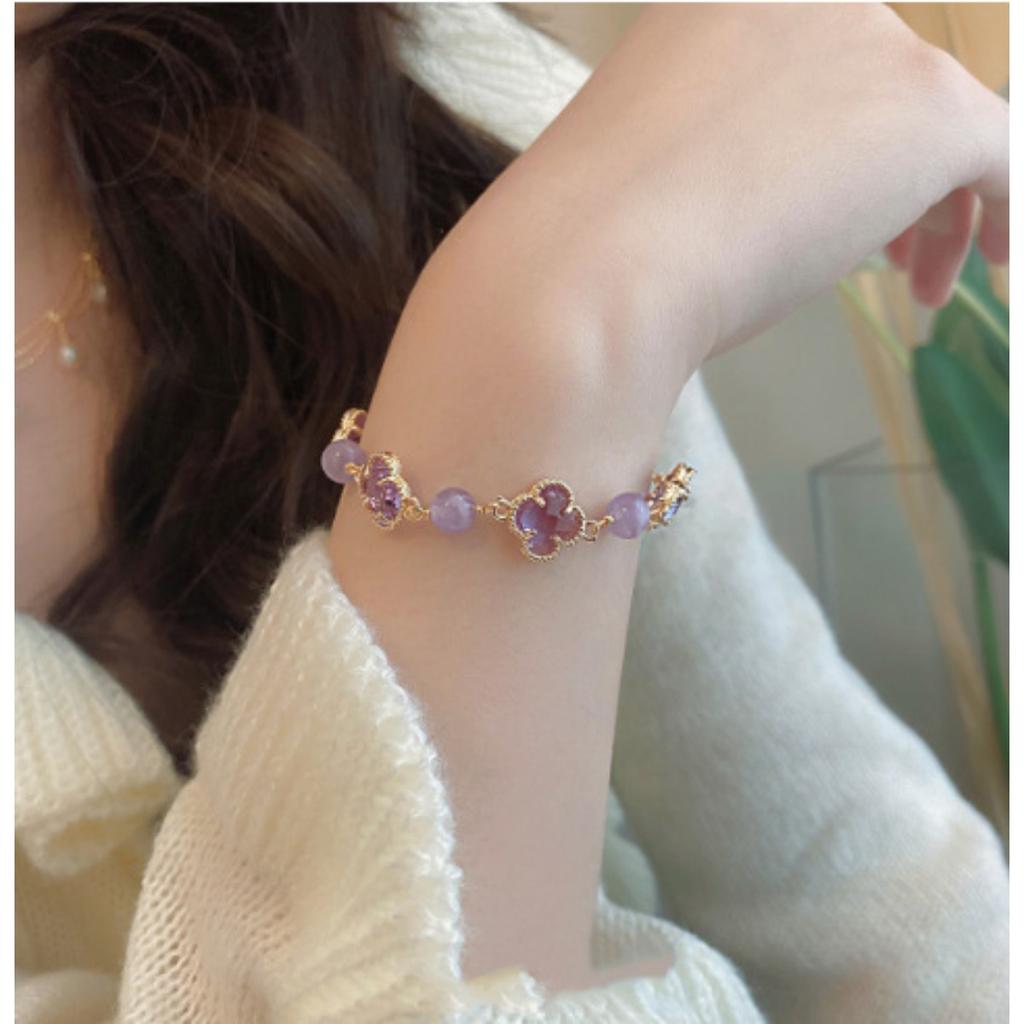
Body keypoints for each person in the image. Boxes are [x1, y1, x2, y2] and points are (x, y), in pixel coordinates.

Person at [15, 3, 1009, 1021]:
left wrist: (567, 299)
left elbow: (858, 885)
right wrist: (539, 344)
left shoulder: (417, 90)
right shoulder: (552, 248)